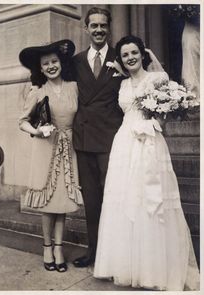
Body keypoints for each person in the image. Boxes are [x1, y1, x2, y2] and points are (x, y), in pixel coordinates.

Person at [94, 35, 200, 290]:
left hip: (149, 141)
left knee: (150, 199)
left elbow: (166, 111)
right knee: (125, 198)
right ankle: (128, 264)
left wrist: (155, 124)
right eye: (125, 55)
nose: (130, 58)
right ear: (120, 59)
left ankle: (153, 268)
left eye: (134, 53)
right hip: (124, 143)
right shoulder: (122, 85)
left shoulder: (158, 79)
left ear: (143, 54)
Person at [18, 39, 83, 273]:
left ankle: (59, 248)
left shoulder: (74, 87)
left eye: (54, 61)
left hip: (69, 147)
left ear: (61, 63)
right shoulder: (37, 91)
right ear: (41, 68)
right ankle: (47, 247)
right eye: (46, 63)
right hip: (46, 148)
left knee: (62, 202)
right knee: (48, 203)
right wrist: (37, 131)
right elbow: (22, 122)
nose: (51, 66)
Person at [72, 7, 124, 267]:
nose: (99, 30)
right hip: (84, 140)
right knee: (91, 200)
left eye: (104, 25)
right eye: (94, 26)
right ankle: (94, 252)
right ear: (86, 29)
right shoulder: (77, 61)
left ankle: (115, 256)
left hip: (112, 140)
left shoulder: (122, 57)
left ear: (109, 28)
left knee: (113, 197)